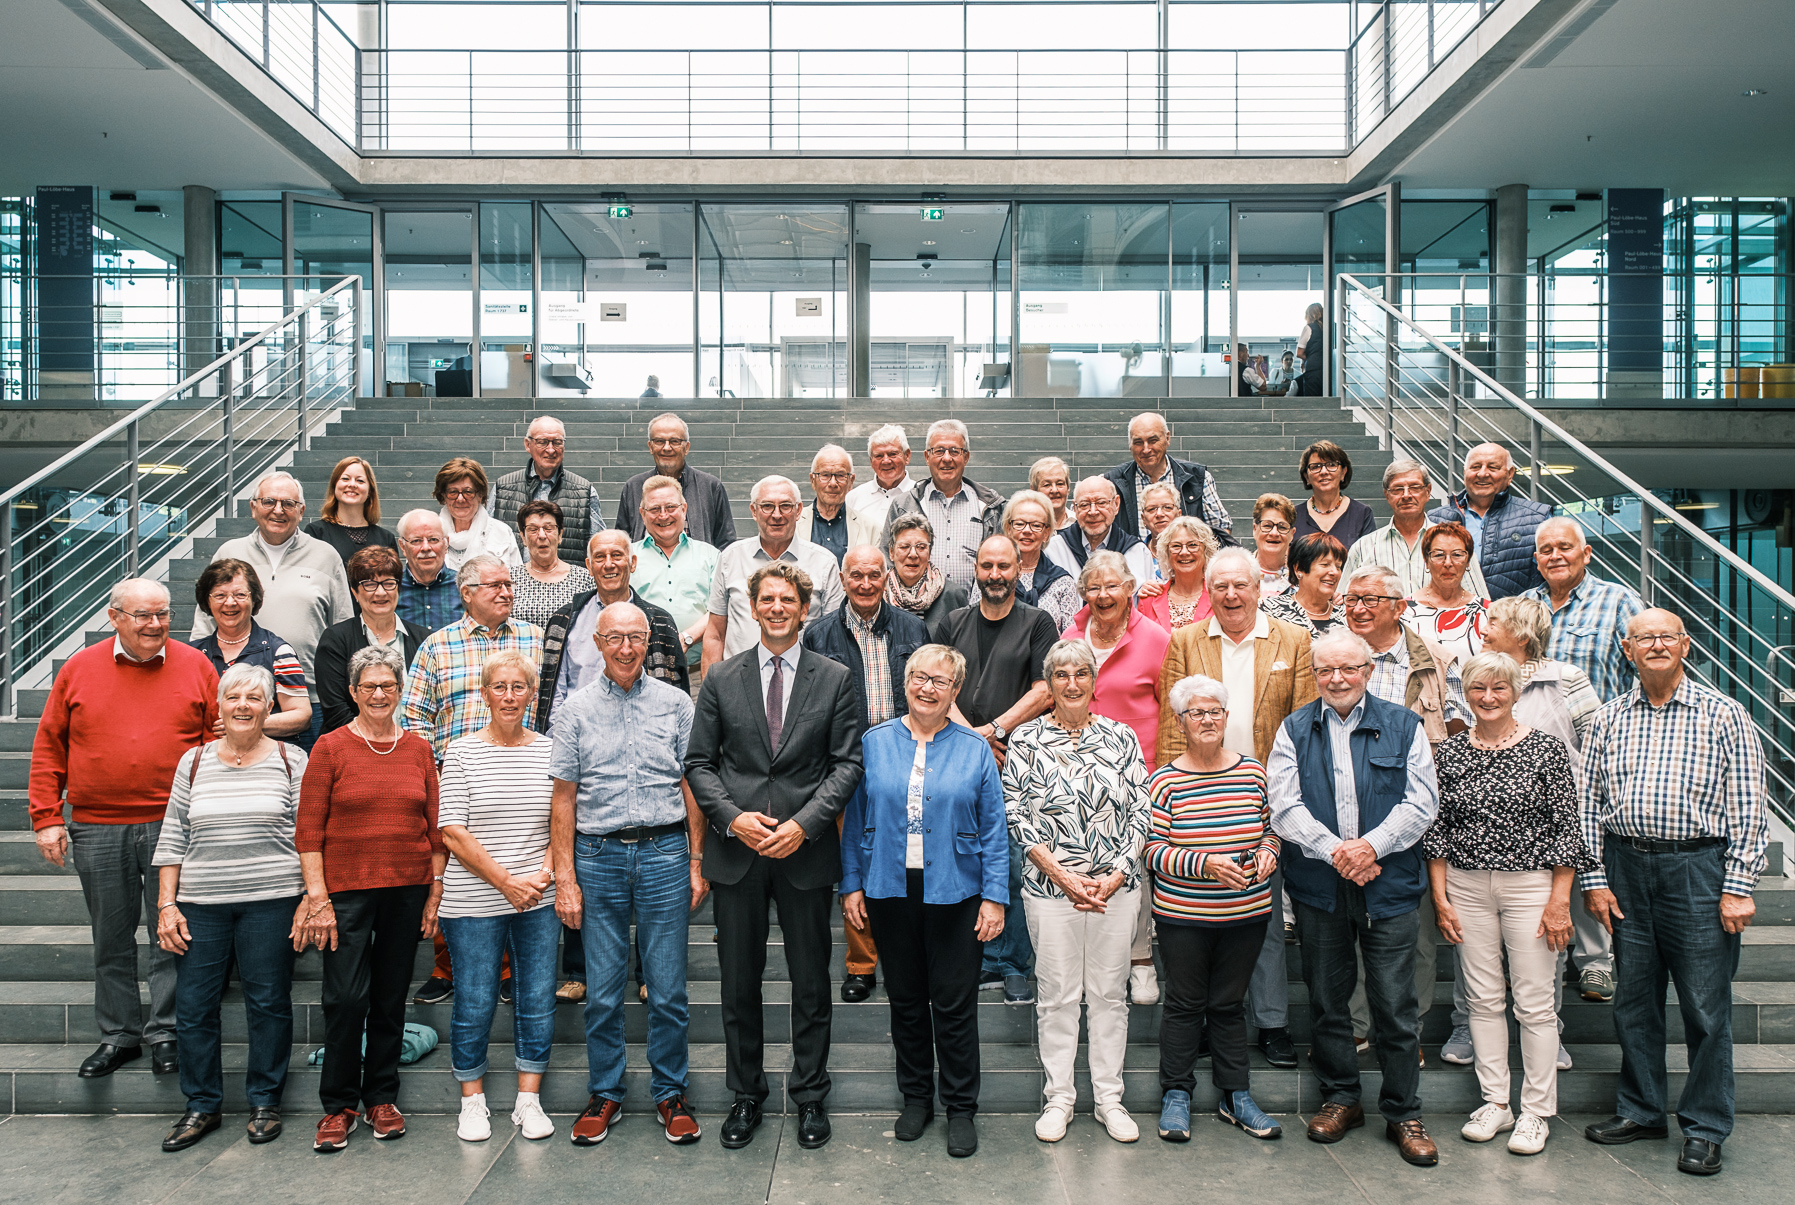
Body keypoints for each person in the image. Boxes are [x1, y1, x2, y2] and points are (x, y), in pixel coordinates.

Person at [1579, 609, 1768, 1178]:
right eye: (1644, 638)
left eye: (1667, 636)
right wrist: (1593, 879)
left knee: (1706, 1010)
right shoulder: (1608, 718)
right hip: (1627, 867)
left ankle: (1706, 1126)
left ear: (1685, 645)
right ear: (1626, 649)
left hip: (1700, 871)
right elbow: (1588, 805)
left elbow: (1750, 806)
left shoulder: (1725, 714)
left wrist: (1737, 887)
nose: (1656, 645)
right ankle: (1641, 1110)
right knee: (1634, 1001)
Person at [685, 562, 864, 1152]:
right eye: (769, 599)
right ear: (753, 608)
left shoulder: (835, 677)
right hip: (736, 850)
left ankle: (810, 1095)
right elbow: (699, 765)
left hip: (803, 850)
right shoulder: (720, 677)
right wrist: (731, 818)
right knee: (739, 983)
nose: (779, 608)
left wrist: (805, 825)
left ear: (804, 609)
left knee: (811, 982)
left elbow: (848, 765)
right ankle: (746, 1094)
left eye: (789, 599)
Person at [30, 578, 219, 1081]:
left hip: (173, 825)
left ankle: (165, 1032)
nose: (156, 625)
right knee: (110, 936)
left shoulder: (196, 665)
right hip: (97, 825)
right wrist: (47, 818)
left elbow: (214, 743)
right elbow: (50, 743)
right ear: (115, 617)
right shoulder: (79, 668)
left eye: (162, 614)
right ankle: (118, 1035)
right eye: (143, 616)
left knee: (171, 935)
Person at [1267, 629, 1441, 1167]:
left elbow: (1422, 802)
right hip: (1320, 886)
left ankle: (1403, 1111)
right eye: (1326, 671)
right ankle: (1341, 1097)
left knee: (1395, 1003)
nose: (1337, 679)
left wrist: (1368, 848)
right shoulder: (1295, 728)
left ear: (1368, 670)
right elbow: (1284, 805)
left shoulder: (1403, 724)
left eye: (1348, 669)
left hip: (1388, 886)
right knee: (1327, 999)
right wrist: (1337, 851)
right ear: (1315, 674)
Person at [547, 603, 707, 1145]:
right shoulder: (573, 710)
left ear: (648, 642)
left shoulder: (677, 704)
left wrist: (695, 860)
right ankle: (606, 1092)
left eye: (634, 638)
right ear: (596, 640)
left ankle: (670, 1093)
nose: (624, 648)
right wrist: (564, 877)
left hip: (665, 852)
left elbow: (692, 786)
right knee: (604, 991)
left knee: (666, 990)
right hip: (598, 858)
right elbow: (562, 799)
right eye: (613, 637)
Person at [841, 644, 1007, 1159]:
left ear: (955, 691)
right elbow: (852, 822)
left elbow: (996, 831)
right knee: (906, 1002)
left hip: (957, 891)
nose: (927, 687)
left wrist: (995, 898)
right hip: (891, 888)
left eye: (939, 681)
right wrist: (851, 883)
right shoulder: (874, 743)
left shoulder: (975, 749)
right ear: (905, 682)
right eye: (918, 677)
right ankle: (916, 1099)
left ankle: (960, 1107)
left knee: (954, 1006)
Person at [1423, 650, 1591, 1157]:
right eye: (1478, 689)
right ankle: (1496, 1102)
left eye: (1499, 688)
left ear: (1516, 692)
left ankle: (1537, 1111)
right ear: (1466, 695)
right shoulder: (1450, 754)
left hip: (1531, 886)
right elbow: (1437, 829)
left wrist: (1560, 900)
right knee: (1482, 998)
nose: (1489, 698)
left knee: (1535, 1003)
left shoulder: (1545, 750)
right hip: (1467, 886)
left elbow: (1566, 827)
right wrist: (1441, 897)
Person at [1155, 546, 1316, 1068]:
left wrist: (1292, 801)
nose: (1229, 595)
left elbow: (1308, 725)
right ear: (1208, 589)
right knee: (1196, 914)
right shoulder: (1185, 639)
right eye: (1218, 585)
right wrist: (1165, 787)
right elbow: (1166, 723)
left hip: (1262, 793)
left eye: (1239, 585)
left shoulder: (1292, 639)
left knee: (1262, 916)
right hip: (1197, 789)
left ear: (1257, 587)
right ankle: (1198, 1019)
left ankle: (1271, 1022)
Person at [293, 645, 445, 1152]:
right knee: (345, 998)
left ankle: (382, 1097)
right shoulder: (331, 747)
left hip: (406, 889)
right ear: (353, 692)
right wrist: (317, 896)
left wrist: (433, 892)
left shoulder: (419, 750)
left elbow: (434, 828)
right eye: (369, 686)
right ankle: (338, 1105)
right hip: (346, 892)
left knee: (388, 997)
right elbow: (309, 829)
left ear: (400, 691)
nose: (379, 694)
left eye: (389, 685)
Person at [152, 663, 306, 1151]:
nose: (243, 706)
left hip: (272, 900)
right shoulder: (192, 762)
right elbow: (173, 834)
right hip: (202, 904)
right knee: (195, 1007)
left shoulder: (291, 758)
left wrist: (311, 897)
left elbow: (309, 837)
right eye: (234, 697)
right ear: (219, 707)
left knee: (268, 1003)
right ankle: (201, 1106)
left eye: (254, 698)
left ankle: (265, 1101)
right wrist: (166, 905)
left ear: (268, 707)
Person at [1003, 640, 1151, 1145]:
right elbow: (1016, 813)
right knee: (1058, 996)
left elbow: (1141, 811)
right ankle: (1060, 1098)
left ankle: (1110, 1098)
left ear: (1094, 681)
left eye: (1080, 674)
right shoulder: (1026, 740)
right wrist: (1064, 877)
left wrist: (1112, 876)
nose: (1071, 683)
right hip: (1049, 890)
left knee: (1110, 995)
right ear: (1049, 685)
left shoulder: (1121, 737)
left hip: (1115, 889)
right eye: (1061, 675)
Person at [399, 552, 546, 1005]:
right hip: (456, 776)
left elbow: (555, 702)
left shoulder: (535, 639)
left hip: (524, 772)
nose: (507, 592)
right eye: (495, 585)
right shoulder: (436, 646)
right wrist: (439, 772)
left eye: (509, 585)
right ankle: (448, 967)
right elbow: (415, 716)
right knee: (455, 869)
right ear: (466, 593)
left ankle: (509, 969)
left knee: (515, 864)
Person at [1147, 673, 1283, 1144]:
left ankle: (1235, 1095)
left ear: (1227, 718)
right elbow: (1151, 850)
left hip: (1246, 915)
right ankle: (1176, 1094)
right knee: (1184, 1005)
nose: (1206, 720)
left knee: (1228, 1006)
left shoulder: (1252, 771)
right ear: (1181, 721)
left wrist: (1269, 853)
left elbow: (1271, 830)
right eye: (1196, 713)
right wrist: (1205, 865)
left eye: (1214, 712)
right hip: (1183, 916)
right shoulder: (1164, 781)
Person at [1341, 562, 1467, 1040]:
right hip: (1344, 814)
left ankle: (1405, 1030)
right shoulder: (1329, 654)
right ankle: (1356, 1026)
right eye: (1351, 600)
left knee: (1413, 934)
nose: (1356, 609)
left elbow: (1455, 734)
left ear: (1399, 607)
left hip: (1415, 813)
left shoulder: (1433, 658)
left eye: (1369, 600)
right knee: (1347, 929)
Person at [437, 650, 559, 1144]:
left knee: (536, 998)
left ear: (532, 694)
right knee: (474, 999)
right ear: (484, 694)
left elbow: (561, 822)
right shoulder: (462, 752)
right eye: (499, 687)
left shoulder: (552, 750)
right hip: (473, 903)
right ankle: (473, 1102)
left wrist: (543, 876)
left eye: (519, 687)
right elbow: (453, 832)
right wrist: (507, 882)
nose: (509, 696)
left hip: (538, 899)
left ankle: (528, 1101)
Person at [801, 545, 930, 1003]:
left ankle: (905, 956)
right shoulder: (818, 635)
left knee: (901, 856)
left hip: (902, 759)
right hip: (844, 761)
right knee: (853, 858)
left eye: (874, 574)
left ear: (886, 575)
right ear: (843, 576)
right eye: (856, 575)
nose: (865, 583)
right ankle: (860, 963)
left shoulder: (913, 628)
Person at [940, 535, 1059, 1004]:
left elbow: (1046, 687)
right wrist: (975, 741)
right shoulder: (953, 622)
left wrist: (995, 730)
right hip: (959, 758)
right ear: (976, 570)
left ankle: (1012, 963)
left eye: (1003, 566)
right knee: (965, 860)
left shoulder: (1038, 622)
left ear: (1017, 570)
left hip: (1017, 759)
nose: (994, 574)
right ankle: (978, 958)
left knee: (1011, 862)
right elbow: (937, 685)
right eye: (986, 565)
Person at [1478, 595, 1609, 1011]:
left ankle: (1593, 965)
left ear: (1519, 632)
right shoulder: (1480, 675)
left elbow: (1597, 739)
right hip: (1499, 820)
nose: (1484, 627)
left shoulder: (1565, 677)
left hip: (1561, 812)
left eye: (1493, 621)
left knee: (1569, 894)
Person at [1062, 551, 1170, 1006]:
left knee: (1133, 869)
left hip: (1135, 771)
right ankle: (1090, 963)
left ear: (1130, 588)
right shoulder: (1071, 633)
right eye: (1094, 587)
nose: (1103, 595)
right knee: (1083, 863)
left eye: (1112, 586)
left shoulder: (1157, 639)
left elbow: (1170, 711)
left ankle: (1141, 959)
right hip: (1074, 773)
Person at [192, 471, 353, 752]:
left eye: (288, 504)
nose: (278, 510)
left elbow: (344, 629)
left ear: (301, 511)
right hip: (233, 701)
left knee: (302, 789)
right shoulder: (230, 552)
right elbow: (205, 624)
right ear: (253, 507)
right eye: (269, 501)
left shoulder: (325, 555)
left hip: (309, 701)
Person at [538, 530, 690, 729]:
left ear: (632, 563)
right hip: (580, 734)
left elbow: (676, 692)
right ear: (589, 566)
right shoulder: (563, 621)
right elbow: (554, 693)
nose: (608, 564)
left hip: (644, 735)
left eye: (617, 555)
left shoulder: (660, 623)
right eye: (599, 557)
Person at [703, 475, 843, 671]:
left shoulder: (824, 563)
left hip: (804, 685)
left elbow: (834, 639)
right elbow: (715, 634)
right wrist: (711, 693)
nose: (776, 515)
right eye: (767, 506)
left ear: (798, 510)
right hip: (738, 684)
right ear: (754, 510)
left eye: (785, 506)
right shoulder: (730, 558)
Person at [1521, 517, 1647, 705]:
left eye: (1565, 548)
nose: (1555, 556)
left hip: (1596, 731)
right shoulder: (1521, 604)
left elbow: (1651, 669)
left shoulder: (1619, 601)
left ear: (1586, 554)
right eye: (1546, 551)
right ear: (1537, 561)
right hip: (1528, 731)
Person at [190, 557, 313, 740]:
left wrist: (246, 724)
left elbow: (301, 716)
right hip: (208, 760)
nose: (230, 603)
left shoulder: (278, 652)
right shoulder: (193, 655)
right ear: (207, 602)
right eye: (220, 595)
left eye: (240, 595)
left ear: (254, 599)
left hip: (263, 760)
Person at [314, 547, 430, 736]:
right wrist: (377, 743)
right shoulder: (335, 640)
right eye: (369, 584)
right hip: (355, 750)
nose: (381, 592)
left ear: (398, 588)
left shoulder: (424, 640)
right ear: (355, 592)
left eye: (389, 583)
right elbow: (335, 711)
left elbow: (432, 704)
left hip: (412, 747)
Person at [880, 419, 1006, 592]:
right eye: (939, 451)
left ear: (966, 457)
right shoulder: (903, 506)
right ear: (927, 457)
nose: (947, 459)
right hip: (918, 613)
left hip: (974, 613)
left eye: (955, 451)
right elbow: (887, 561)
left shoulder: (989, 507)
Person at [1341, 459, 1490, 597]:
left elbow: (1481, 605)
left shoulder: (1456, 544)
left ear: (1428, 491)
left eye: (1414, 487)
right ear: (1387, 495)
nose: (1406, 495)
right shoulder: (1363, 548)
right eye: (1398, 489)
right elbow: (1343, 602)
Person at [630, 475, 722, 691]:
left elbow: (720, 608)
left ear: (684, 509)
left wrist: (686, 639)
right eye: (654, 509)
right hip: (642, 674)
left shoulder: (710, 556)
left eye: (670, 507)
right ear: (642, 514)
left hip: (699, 674)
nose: (663, 515)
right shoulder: (627, 557)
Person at [1426, 443, 1552, 598]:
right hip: (1449, 618)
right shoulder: (1434, 519)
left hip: (1514, 619)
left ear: (1510, 473)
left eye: (1493, 467)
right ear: (1465, 472)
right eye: (1475, 467)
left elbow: (1554, 577)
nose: (1482, 474)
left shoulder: (1538, 518)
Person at [1103, 412, 1234, 544]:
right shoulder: (1112, 483)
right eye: (1138, 442)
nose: (1146, 449)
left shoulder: (1197, 478)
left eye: (1153, 440)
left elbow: (1221, 528)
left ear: (1167, 438)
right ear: (1130, 445)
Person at [493, 416, 605, 567]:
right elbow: (487, 543)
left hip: (570, 586)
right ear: (528, 444)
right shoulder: (503, 488)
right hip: (512, 586)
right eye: (542, 442)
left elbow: (599, 546)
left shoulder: (584, 491)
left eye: (557, 442)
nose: (551, 449)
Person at [615, 412, 737, 547]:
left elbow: (726, 543)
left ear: (687, 447)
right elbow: (622, 542)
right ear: (650, 447)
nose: (667, 448)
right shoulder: (633, 487)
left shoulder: (711, 487)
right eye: (659, 441)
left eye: (675, 441)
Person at [1404, 521, 1489, 663]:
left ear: (1468, 561)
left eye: (1457, 555)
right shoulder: (1404, 611)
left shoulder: (1487, 612)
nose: (1448, 563)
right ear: (1426, 560)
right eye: (1438, 555)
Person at [1045, 476, 1154, 584]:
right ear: (1075, 507)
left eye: (1101, 503)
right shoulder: (1053, 550)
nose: (1093, 512)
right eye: (1084, 504)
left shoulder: (1137, 552)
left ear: (1116, 504)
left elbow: (1150, 599)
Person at [509, 500, 598, 629]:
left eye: (548, 528)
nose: (541, 535)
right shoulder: (508, 579)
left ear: (560, 534)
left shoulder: (585, 578)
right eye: (533, 529)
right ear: (523, 537)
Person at [884, 513, 969, 641]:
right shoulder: (878, 594)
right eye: (904, 547)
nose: (913, 554)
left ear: (929, 553)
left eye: (921, 547)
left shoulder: (953, 596)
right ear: (891, 552)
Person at [1003, 489, 1077, 632]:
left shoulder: (1063, 582)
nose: (1027, 530)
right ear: (1008, 529)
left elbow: (1070, 641)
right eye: (1019, 524)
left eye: (1036, 525)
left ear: (1046, 533)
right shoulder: (990, 575)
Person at [303, 455, 400, 564]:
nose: (352, 484)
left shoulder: (386, 538)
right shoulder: (316, 533)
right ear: (334, 486)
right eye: (345, 479)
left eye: (360, 480)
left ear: (370, 491)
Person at [796, 444, 880, 565]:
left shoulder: (871, 529)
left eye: (840, 475)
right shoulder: (792, 525)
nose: (833, 483)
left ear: (851, 481)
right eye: (825, 475)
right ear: (812, 480)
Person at [436, 457, 521, 571]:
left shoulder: (502, 532)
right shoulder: (429, 533)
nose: (460, 499)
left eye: (468, 492)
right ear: (443, 496)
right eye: (453, 492)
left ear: (480, 495)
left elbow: (516, 581)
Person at [1135, 515, 1217, 632]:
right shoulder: (1149, 598)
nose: (1184, 552)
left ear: (1206, 550)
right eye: (1176, 546)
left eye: (1192, 545)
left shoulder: (1219, 596)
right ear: (1166, 553)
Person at [1291, 439, 1377, 547]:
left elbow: (1369, 559)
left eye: (1331, 465)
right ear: (1306, 477)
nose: (1323, 472)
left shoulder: (1362, 514)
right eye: (1316, 466)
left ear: (1343, 473)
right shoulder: (1293, 515)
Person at [1262, 532, 1348, 637]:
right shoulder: (1270, 610)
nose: (1334, 572)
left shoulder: (1347, 614)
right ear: (1298, 568)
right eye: (1325, 564)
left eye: (1338, 567)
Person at [394, 509, 464, 634]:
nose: (426, 547)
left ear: (446, 544)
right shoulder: (391, 589)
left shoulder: (466, 586)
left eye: (433, 539)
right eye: (416, 541)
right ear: (403, 546)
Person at [845, 424, 916, 530]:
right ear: (871, 461)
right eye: (879, 456)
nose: (886, 461)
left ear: (907, 456)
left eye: (892, 454)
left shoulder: (922, 494)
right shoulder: (853, 498)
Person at [1250, 493, 1295, 596]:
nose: (1274, 533)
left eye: (1282, 527)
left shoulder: (1301, 577)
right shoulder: (1238, 572)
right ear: (1254, 529)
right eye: (1267, 525)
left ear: (1292, 534)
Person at [1137, 482, 1184, 580]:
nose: (1159, 514)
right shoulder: (1135, 555)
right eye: (1151, 509)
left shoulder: (1195, 553)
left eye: (1167, 507)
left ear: (1179, 514)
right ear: (1143, 519)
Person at [1028, 455, 1075, 531]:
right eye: (1047, 485)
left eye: (1060, 484)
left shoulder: (1080, 523)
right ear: (1034, 490)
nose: (1054, 490)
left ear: (1068, 488)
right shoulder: (1025, 528)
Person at [1293, 302, 1324, 397]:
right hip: (1328, 368)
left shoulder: (1309, 328)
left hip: (1313, 369)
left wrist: (1308, 359)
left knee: (1312, 399)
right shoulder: (1331, 328)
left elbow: (1299, 353)